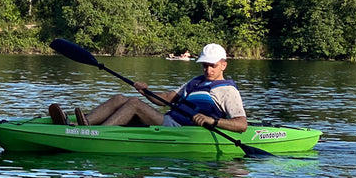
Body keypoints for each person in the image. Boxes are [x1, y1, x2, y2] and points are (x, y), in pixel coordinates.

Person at [49, 43, 248, 131]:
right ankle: (83, 123)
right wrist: (146, 91)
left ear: (223, 64)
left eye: (212, 65)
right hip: (170, 119)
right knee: (120, 98)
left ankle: (96, 133)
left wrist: (212, 121)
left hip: (182, 129)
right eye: (205, 64)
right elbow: (167, 98)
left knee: (134, 104)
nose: (208, 69)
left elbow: (241, 124)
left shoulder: (228, 91)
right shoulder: (195, 82)